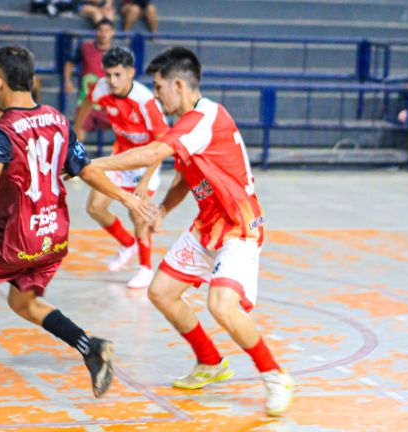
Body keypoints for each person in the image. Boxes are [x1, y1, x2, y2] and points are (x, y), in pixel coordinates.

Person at [0, 45, 154, 398]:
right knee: (22, 302)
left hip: (15, 240)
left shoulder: (0, 129)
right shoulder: (57, 118)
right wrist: (126, 196)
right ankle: (89, 347)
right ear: (33, 81)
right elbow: (84, 169)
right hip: (54, 239)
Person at [92, 47, 294, 417]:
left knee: (221, 305)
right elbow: (186, 175)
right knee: (162, 292)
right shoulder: (189, 121)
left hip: (238, 226)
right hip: (208, 224)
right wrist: (164, 209)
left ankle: (275, 375)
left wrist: (91, 165)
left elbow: (150, 152)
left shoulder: (204, 119)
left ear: (179, 85)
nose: (155, 95)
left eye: (158, 87)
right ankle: (210, 362)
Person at [73, 46, 168, 289]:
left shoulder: (146, 101)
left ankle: (145, 268)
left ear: (130, 73)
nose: (112, 81)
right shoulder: (102, 88)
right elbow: (86, 103)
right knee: (94, 207)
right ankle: (127, 244)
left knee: (137, 214)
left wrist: (145, 180)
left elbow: (164, 145)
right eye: (108, 75)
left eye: (118, 75)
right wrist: (77, 131)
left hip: (147, 161)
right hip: (121, 156)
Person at [64, 18, 114, 138]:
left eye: (107, 31)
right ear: (96, 31)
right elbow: (70, 63)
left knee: (125, 127)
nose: (103, 34)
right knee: (78, 130)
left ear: (112, 33)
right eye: (101, 30)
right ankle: (78, 157)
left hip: (109, 102)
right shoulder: (85, 48)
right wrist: (68, 81)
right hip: (85, 100)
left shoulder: (116, 53)